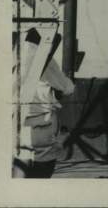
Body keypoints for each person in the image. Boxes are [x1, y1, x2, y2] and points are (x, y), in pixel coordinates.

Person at [13, 30, 75, 177]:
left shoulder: (15, 53)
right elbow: (67, 88)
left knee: (20, 163)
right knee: (42, 170)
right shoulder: (45, 59)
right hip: (42, 124)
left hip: (18, 123)